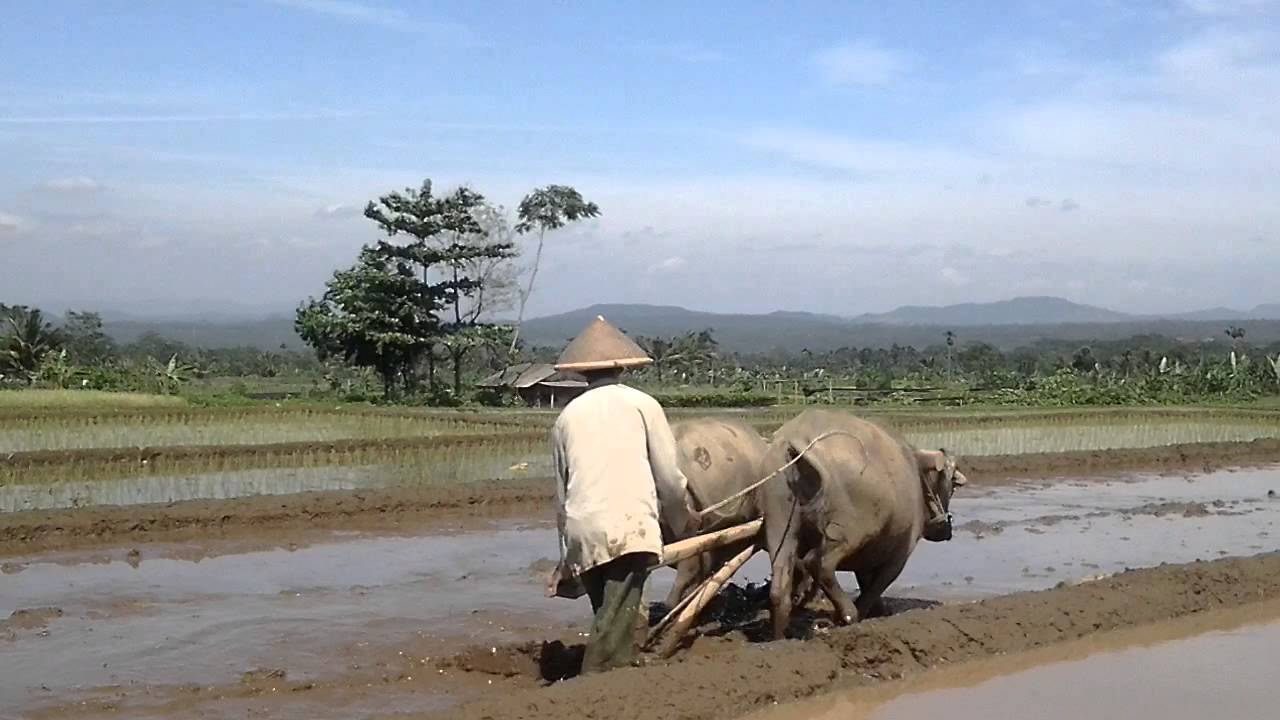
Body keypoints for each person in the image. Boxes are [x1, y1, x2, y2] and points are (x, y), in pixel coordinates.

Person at [545, 315, 698, 674]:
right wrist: (682, 522)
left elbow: (560, 496)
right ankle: (596, 684)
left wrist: (566, 556)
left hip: (584, 530)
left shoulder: (566, 416)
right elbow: (670, 480)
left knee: (608, 615)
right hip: (629, 526)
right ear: (623, 367)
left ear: (583, 372)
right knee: (615, 621)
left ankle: (619, 668)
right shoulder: (643, 405)